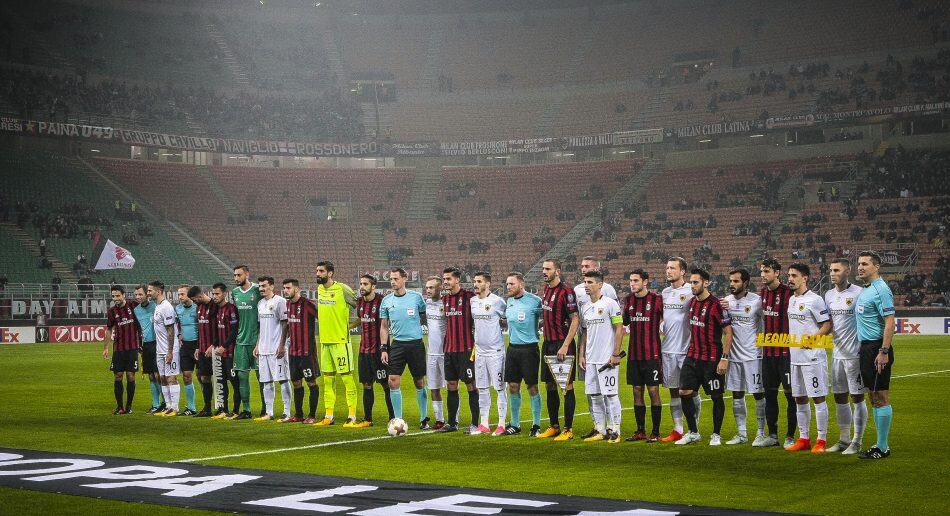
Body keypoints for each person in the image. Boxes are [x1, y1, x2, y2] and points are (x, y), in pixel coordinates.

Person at [676, 269, 733, 446]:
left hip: (711, 359)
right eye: (691, 283)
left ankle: (716, 434)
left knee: (716, 396)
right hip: (692, 356)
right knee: (684, 392)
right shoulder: (692, 302)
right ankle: (693, 432)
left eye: (696, 282)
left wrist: (724, 358)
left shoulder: (717, 305)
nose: (692, 286)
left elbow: (728, 332)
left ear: (706, 283)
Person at [784, 263, 833, 453]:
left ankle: (821, 440)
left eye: (794, 275)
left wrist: (813, 339)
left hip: (813, 358)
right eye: (789, 275)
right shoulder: (791, 299)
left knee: (818, 398)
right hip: (795, 358)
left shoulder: (815, 299)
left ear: (804, 278)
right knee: (799, 399)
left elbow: (827, 324)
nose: (790, 279)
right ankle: (804, 438)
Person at [855, 251, 896, 459]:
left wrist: (883, 351)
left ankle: (883, 447)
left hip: (876, 349)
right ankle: (880, 444)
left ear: (877, 266)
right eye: (859, 263)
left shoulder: (881, 289)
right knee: (873, 396)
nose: (860, 267)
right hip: (866, 348)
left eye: (865, 264)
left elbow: (890, 321)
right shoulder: (868, 288)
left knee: (880, 397)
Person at [824, 259, 867, 454]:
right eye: (831, 270)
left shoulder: (859, 293)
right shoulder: (828, 295)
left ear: (847, 271)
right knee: (839, 397)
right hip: (837, 355)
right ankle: (844, 439)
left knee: (857, 397)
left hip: (855, 355)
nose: (832, 274)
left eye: (837, 270)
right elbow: (829, 324)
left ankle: (857, 441)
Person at [574, 257, 619, 439]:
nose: (586, 285)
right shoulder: (586, 307)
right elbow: (584, 332)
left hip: (606, 358)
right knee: (594, 395)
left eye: (590, 282)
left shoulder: (610, 303)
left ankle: (615, 430)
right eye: (585, 282)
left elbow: (619, 329)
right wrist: (582, 355)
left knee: (610, 395)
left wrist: (615, 354)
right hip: (590, 358)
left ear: (600, 285)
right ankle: (600, 430)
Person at [380, 268, 429, 430]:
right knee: (392, 380)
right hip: (397, 345)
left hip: (416, 344)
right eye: (391, 279)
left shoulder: (416, 297)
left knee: (419, 381)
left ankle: (423, 419)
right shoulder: (386, 301)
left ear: (404, 279)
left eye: (395, 279)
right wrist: (384, 348)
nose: (392, 282)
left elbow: (425, 315)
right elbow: (384, 326)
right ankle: (398, 420)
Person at [721, 269, 766, 445]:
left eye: (736, 281)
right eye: (731, 281)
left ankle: (761, 433)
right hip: (734, 357)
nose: (732, 284)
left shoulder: (756, 301)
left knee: (758, 395)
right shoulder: (727, 301)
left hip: (753, 356)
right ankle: (742, 434)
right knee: (737, 395)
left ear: (745, 283)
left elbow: (767, 323)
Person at [538, 259, 580, 441]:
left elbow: (575, 319)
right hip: (547, 344)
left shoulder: (567, 292)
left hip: (562, 344)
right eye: (543, 268)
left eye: (548, 269)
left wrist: (565, 345)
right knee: (549, 384)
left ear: (558, 271)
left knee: (566, 386)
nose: (544, 271)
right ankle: (554, 426)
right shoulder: (546, 289)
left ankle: (568, 429)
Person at [756, 258, 797, 447]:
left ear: (777, 273)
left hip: (786, 354)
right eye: (762, 271)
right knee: (770, 395)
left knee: (790, 395)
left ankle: (790, 436)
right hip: (768, 354)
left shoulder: (789, 293)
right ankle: (772, 436)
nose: (763, 275)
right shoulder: (763, 293)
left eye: (767, 271)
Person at [314, 261, 359, 426]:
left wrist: (351, 325)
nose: (318, 274)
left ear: (330, 273)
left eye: (321, 271)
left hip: (341, 342)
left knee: (347, 379)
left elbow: (360, 307)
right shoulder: (319, 289)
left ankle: (352, 416)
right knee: (327, 381)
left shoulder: (342, 289)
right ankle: (329, 416)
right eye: (317, 271)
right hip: (325, 342)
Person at [660, 257, 700, 443]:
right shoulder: (665, 292)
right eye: (667, 268)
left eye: (673, 268)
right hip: (668, 350)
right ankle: (678, 429)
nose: (668, 271)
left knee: (691, 391)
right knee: (673, 391)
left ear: (683, 271)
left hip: (686, 350)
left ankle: (694, 427)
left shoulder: (691, 290)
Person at [622, 269, 664, 442]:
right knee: (637, 391)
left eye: (636, 281)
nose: (632, 284)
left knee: (653, 391)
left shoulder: (657, 300)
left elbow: (668, 319)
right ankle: (640, 431)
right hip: (634, 355)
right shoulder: (628, 300)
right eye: (631, 280)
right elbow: (624, 321)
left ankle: (655, 432)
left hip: (652, 354)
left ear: (645, 282)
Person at [437, 266, 478, 433]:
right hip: (449, 350)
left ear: (457, 280)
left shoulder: (470, 297)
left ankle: (475, 423)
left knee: (471, 385)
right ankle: (452, 423)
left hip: (466, 349)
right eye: (444, 279)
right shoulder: (444, 299)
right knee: (451, 384)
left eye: (448, 279)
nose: (445, 282)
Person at [503, 272, 543, 436]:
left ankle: (536, 424)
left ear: (521, 284)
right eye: (507, 284)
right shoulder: (509, 301)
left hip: (529, 349)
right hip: (513, 349)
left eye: (511, 284)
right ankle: (515, 424)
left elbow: (546, 318)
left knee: (532, 387)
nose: (508, 287)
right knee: (513, 386)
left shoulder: (535, 301)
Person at [468, 272, 508, 436]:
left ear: (488, 284)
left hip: (495, 352)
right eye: (474, 281)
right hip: (479, 352)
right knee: (482, 388)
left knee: (499, 388)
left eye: (479, 281)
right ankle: (484, 423)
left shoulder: (498, 302)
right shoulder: (472, 301)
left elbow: (507, 318)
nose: (475, 284)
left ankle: (501, 424)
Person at [352, 274, 391, 428]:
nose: (362, 287)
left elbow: (385, 325)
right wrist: (347, 327)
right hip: (364, 352)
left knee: (386, 384)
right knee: (367, 385)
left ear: (373, 286)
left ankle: (393, 418)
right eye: (361, 284)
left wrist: (384, 348)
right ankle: (367, 419)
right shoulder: (360, 302)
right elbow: (360, 319)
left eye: (365, 284)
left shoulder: (382, 301)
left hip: (379, 352)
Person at [252, 277, 292, 422]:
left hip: (277, 349)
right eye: (260, 286)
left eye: (264, 286)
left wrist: (282, 345)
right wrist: (258, 345)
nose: (261, 289)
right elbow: (261, 327)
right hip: (263, 349)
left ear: (272, 286)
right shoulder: (260, 303)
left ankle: (286, 412)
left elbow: (285, 324)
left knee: (283, 380)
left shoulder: (280, 301)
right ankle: (269, 412)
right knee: (266, 382)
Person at [283, 279, 321, 423]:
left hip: (307, 353)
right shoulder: (288, 304)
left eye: (288, 288)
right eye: (284, 288)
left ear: (297, 289)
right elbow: (288, 325)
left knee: (311, 383)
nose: (285, 290)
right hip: (293, 352)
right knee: (296, 383)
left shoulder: (307, 304)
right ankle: (298, 415)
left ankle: (312, 415)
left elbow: (321, 318)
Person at [232, 265, 262, 420]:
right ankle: (247, 409)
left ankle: (266, 408)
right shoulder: (235, 292)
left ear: (247, 275)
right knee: (242, 376)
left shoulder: (257, 290)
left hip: (256, 341)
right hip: (241, 341)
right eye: (235, 275)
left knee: (261, 376)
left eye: (239, 275)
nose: (236, 278)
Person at [105, 285, 140, 415]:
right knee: (118, 375)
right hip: (118, 349)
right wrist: (106, 347)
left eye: (118, 296)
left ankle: (129, 406)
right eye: (113, 296)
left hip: (132, 348)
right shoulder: (112, 311)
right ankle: (119, 407)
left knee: (130, 375)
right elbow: (109, 329)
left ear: (124, 295)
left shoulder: (133, 305)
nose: (115, 298)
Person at [149, 281, 181, 417]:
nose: (148, 293)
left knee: (171, 377)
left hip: (169, 349)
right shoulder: (158, 306)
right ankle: (168, 406)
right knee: (162, 377)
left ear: (158, 291)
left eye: (150, 291)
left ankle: (175, 408)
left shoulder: (166, 307)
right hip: (160, 349)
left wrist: (170, 351)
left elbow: (170, 330)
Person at [211, 283, 241, 419]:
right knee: (222, 382)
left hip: (231, 353)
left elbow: (234, 331)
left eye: (217, 294)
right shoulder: (218, 310)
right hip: (221, 353)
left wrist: (224, 346)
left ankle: (235, 411)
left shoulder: (231, 309)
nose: (215, 296)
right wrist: (214, 345)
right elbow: (218, 332)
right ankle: (223, 409)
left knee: (234, 382)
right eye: (213, 294)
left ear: (224, 294)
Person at [187, 286, 217, 417]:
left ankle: (222, 407)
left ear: (200, 296)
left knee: (219, 378)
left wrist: (214, 345)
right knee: (203, 376)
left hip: (214, 349)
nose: (194, 302)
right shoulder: (199, 308)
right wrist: (198, 347)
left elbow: (219, 329)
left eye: (194, 300)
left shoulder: (214, 306)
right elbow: (200, 329)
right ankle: (207, 408)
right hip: (202, 349)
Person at [133, 285, 163, 414]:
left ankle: (165, 402)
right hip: (146, 345)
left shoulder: (156, 306)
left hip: (157, 343)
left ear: (147, 294)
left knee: (158, 375)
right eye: (136, 295)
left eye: (140, 294)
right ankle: (155, 404)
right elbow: (137, 329)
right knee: (151, 375)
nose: (138, 297)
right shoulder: (136, 310)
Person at [423, 276, 447, 430]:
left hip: (446, 353)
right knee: (433, 387)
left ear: (440, 288)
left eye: (431, 287)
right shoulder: (427, 303)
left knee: (452, 387)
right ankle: (440, 420)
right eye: (427, 287)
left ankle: (454, 419)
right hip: (431, 353)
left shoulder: (446, 303)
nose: (428, 290)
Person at [175, 285, 199, 416]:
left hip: (197, 345)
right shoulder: (178, 309)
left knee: (202, 376)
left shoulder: (197, 308)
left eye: (182, 294)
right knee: (186, 376)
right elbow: (177, 323)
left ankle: (207, 406)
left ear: (189, 294)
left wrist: (200, 345)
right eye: (179, 294)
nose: (180, 297)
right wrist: (179, 333)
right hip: (185, 346)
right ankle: (191, 407)